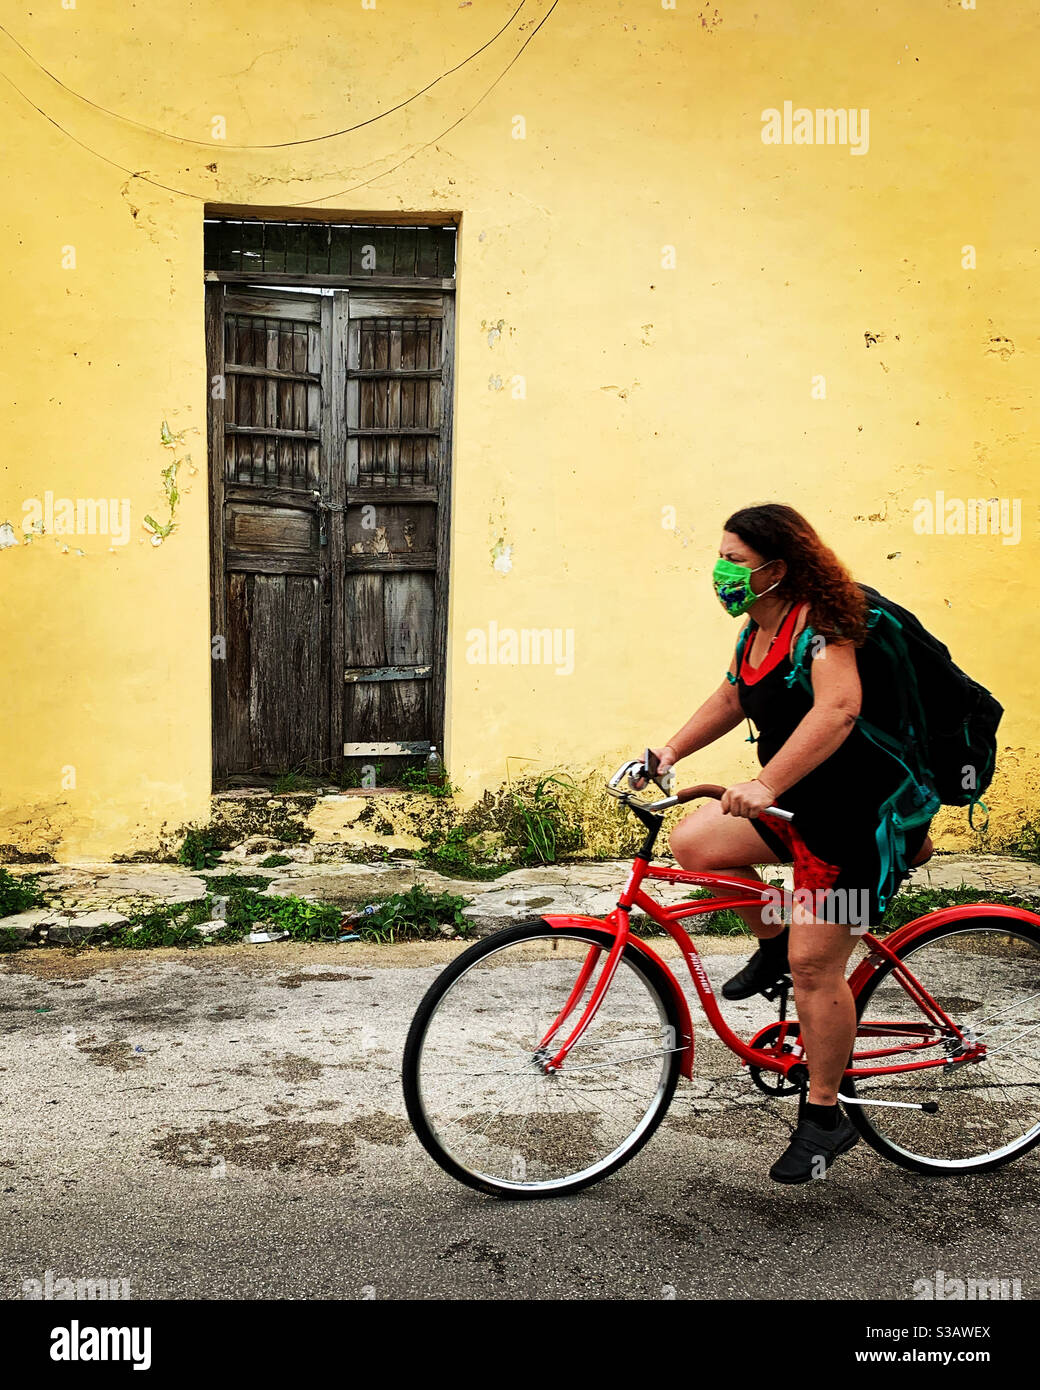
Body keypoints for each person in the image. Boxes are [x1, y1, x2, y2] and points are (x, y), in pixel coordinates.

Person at [647, 503, 932, 1184]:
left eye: (735, 560)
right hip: (804, 806)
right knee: (696, 842)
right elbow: (733, 698)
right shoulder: (758, 631)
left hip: (867, 819)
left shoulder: (825, 626)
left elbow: (839, 710)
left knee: (817, 968)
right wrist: (667, 751)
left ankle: (825, 1117)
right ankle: (772, 943)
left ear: (777, 568)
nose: (722, 571)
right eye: (721, 556)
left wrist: (766, 781)